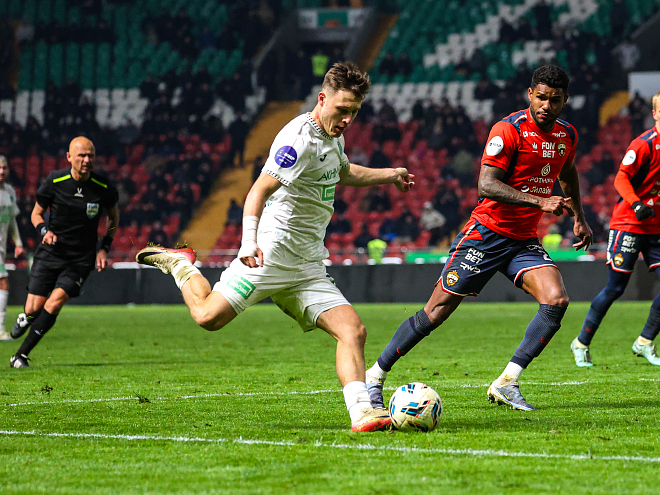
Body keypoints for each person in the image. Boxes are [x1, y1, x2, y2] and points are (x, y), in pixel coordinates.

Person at [135, 62, 414, 431]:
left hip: (308, 265)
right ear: (322, 99)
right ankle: (182, 264)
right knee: (207, 318)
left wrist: (390, 174)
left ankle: (362, 413)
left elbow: (343, 171)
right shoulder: (297, 139)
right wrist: (249, 242)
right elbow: (258, 191)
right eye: (342, 109)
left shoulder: (333, 136)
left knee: (353, 331)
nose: (348, 119)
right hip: (271, 255)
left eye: (355, 112)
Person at [366, 65, 593, 412]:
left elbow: (568, 172)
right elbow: (486, 185)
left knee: (556, 299)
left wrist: (579, 216)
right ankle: (375, 375)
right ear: (530, 94)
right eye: (541, 97)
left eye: (555, 100)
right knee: (434, 313)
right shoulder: (509, 130)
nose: (547, 105)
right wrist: (540, 201)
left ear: (565, 100)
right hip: (485, 235)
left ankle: (507, 382)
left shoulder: (567, 135)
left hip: (522, 240)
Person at [9, 137, 119, 367]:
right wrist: (44, 231)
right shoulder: (55, 181)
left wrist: (104, 248)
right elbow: (36, 214)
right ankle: (27, 316)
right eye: (81, 155)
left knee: (55, 302)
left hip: (81, 258)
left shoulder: (103, 187)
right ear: (69, 157)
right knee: (33, 308)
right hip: (51, 252)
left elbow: (113, 217)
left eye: (90, 155)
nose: (86, 160)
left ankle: (20, 355)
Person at [571, 91, 660, 367]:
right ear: (655, 114)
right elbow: (621, 178)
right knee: (615, 288)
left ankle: (644, 341)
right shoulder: (644, 144)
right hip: (629, 223)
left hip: (656, 228)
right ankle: (581, 342)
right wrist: (636, 203)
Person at [0, 156, 25, 341]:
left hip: (1, 247)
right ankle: (0, 330)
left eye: (4, 168)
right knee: (3, 282)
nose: (1, 171)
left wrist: (18, 243)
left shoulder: (9, 191)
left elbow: (12, 222)